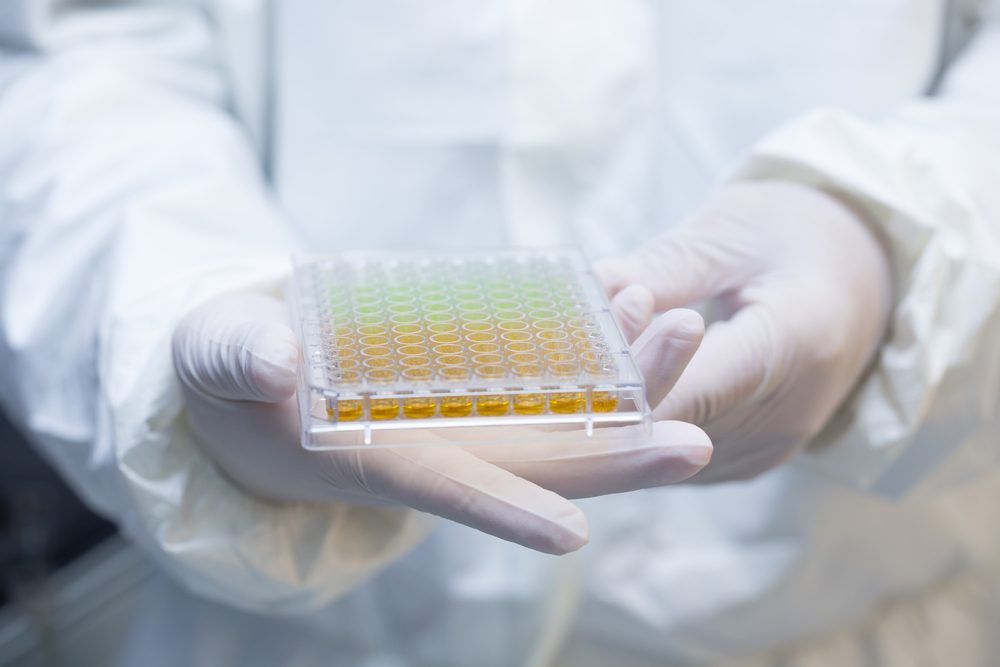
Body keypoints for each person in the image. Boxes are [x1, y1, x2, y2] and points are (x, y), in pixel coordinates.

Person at [1, 0, 999, 664]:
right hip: (294, 629)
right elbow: (85, 45)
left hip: (839, 611)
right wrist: (164, 323)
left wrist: (895, 246)